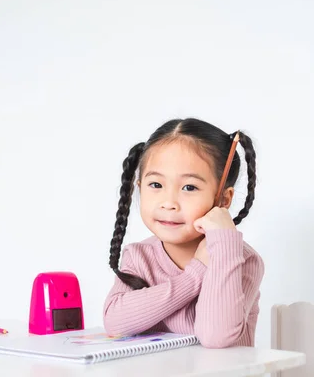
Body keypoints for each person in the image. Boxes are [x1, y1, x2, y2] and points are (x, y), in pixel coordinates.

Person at [103, 117, 264, 349]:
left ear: (223, 199)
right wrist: (194, 276)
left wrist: (224, 242)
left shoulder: (242, 260)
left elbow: (215, 336)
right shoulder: (140, 256)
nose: (169, 203)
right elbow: (115, 322)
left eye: (189, 187)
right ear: (138, 187)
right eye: (156, 185)